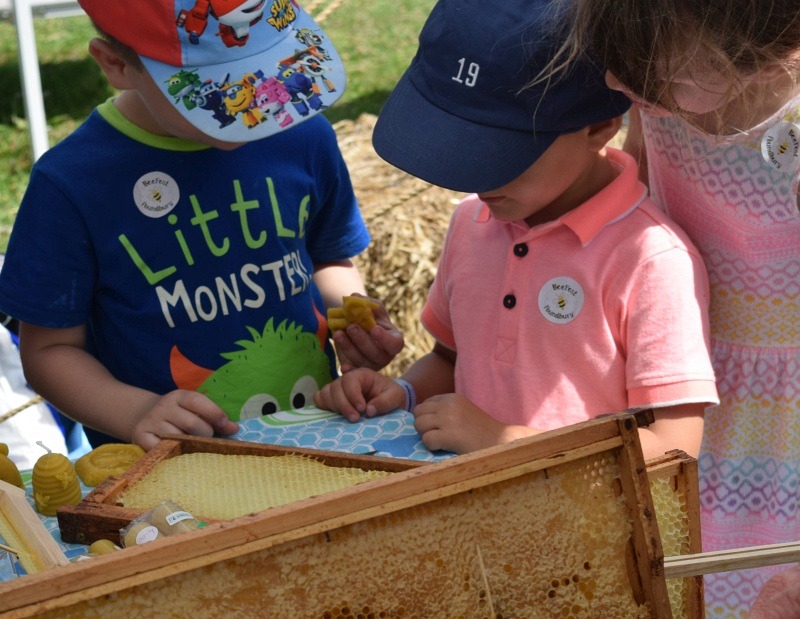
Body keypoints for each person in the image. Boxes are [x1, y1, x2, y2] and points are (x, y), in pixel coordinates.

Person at [313, 0, 718, 462]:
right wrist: (404, 395)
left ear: (600, 126)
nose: (474, 175)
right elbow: (450, 359)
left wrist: (504, 442)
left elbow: (673, 446)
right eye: (459, 144)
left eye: (502, 152)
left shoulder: (650, 260)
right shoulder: (472, 223)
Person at [0, 0, 402, 453]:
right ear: (115, 65)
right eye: (216, 88)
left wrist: (355, 322)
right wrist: (135, 412)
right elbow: (49, 351)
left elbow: (327, 258)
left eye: (268, 69)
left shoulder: (302, 135)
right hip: (172, 465)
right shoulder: (73, 182)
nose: (253, 101)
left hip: (317, 434)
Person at [549, 0, 800, 615]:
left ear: (770, 61)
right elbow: (639, 182)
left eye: (649, 68)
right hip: (682, 371)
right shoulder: (663, 94)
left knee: (756, 582)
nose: (615, 79)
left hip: (779, 423)